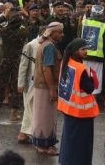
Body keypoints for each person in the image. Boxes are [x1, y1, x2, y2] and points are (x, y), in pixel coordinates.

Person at [57, 38, 100, 165]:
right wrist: (92, 75)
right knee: (82, 144)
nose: (86, 51)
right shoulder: (81, 68)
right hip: (82, 112)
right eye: (83, 49)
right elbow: (90, 88)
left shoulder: (67, 63)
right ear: (76, 51)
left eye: (86, 48)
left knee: (69, 140)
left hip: (68, 109)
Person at [32, 22, 63, 156]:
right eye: (60, 32)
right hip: (45, 87)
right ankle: (44, 146)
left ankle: (43, 144)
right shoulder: (49, 46)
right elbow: (47, 69)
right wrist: (52, 89)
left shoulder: (43, 44)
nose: (62, 35)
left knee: (41, 116)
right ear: (52, 33)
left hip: (41, 86)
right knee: (45, 117)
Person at [0, 10, 27, 121]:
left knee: (0, 86)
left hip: (5, 61)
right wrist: (25, 15)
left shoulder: (4, 31)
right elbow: (30, 25)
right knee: (16, 87)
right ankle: (14, 113)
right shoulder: (23, 31)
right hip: (17, 61)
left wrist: (3, 15)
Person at [17, 26, 42, 144]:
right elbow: (23, 66)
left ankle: (23, 134)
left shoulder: (48, 44)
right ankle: (36, 135)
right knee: (31, 108)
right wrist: (21, 83)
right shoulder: (31, 45)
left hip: (40, 82)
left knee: (30, 108)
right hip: (30, 82)